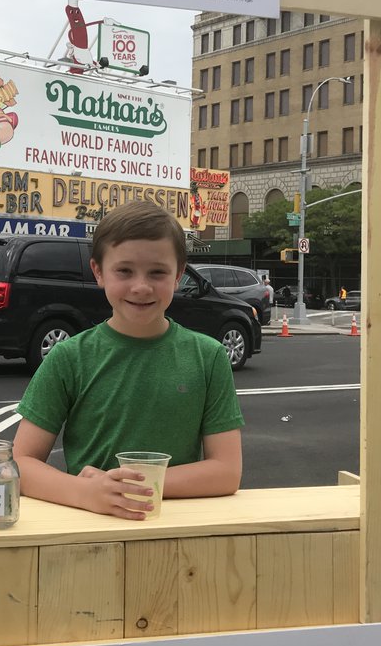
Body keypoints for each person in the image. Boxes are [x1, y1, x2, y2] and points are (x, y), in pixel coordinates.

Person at [12, 200, 244, 519]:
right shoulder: (68, 357)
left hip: (177, 535)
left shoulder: (209, 356)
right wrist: (85, 493)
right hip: (89, 531)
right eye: (124, 271)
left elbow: (227, 471)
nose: (141, 286)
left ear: (178, 275)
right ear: (98, 272)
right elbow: (21, 463)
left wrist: (127, 488)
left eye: (157, 272)